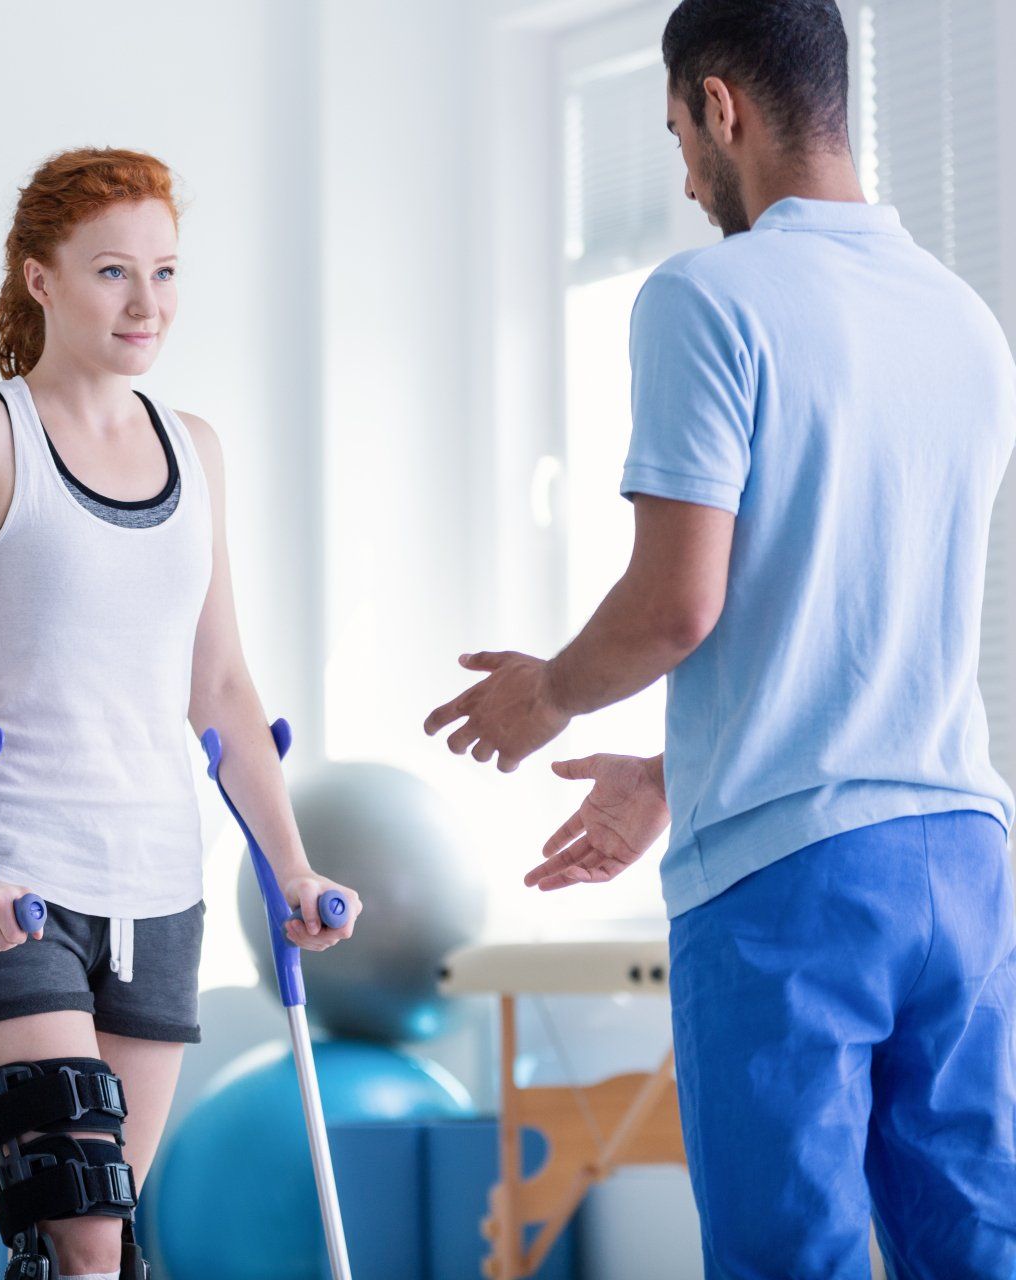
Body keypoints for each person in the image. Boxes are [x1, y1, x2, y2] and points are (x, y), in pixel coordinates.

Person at [422, 2, 1016, 1275]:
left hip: (792, 886)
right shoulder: (966, 322)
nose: (687, 182)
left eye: (681, 139)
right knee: (973, 1248)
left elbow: (677, 603)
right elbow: (859, 632)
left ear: (721, 105)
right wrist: (667, 775)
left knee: (783, 1258)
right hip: (963, 861)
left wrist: (550, 696)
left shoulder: (709, 294)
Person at [0, 147, 361, 1280]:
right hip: (18, 881)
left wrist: (293, 869)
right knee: (79, 1226)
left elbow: (223, 686)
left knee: (100, 1252)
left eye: (164, 271)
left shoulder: (194, 448)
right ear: (39, 278)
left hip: (160, 886)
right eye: (113, 271)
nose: (146, 302)